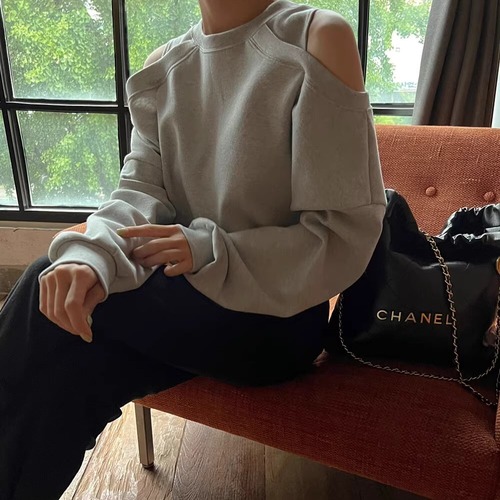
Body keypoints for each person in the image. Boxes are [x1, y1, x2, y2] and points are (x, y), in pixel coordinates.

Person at [0, 0, 386, 498]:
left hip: (274, 323)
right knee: (74, 370)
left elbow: (341, 233)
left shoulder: (315, 38)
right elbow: (139, 193)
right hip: (185, 302)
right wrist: (89, 254)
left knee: (42, 288)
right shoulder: (165, 66)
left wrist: (209, 248)